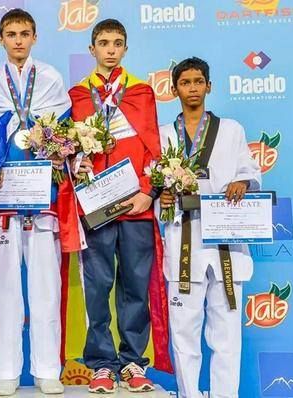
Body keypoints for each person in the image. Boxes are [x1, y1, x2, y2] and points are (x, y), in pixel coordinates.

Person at [0, 8, 82, 396]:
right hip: (3, 200)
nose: (18, 40)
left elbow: (67, 140)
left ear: (35, 37)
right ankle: (6, 370)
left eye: (24, 33)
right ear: (0, 39)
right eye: (10, 34)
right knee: (3, 289)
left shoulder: (52, 80)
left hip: (44, 200)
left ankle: (47, 369)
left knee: (46, 289)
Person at [68, 18, 172, 393]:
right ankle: (99, 363)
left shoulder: (142, 92)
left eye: (117, 43)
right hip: (95, 207)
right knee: (97, 287)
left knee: (134, 286)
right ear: (92, 49)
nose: (110, 49)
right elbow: (70, 152)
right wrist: (74, 167)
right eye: (103, 43)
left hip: (136, 206)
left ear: (125, 49)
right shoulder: (77, 96)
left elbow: (154, 149)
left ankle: (131, 362)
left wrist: (148, 192)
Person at [158, 57, 261, 398]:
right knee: (184, 332)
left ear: (209, 86)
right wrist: (164, 201)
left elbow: (249, 170)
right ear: (174, 89)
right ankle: (189, 394)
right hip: (182, 238)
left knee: (227, 334)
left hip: (224, 243)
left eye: (198, 81)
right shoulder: (162, 135)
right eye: (185, 82)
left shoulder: (231, 130)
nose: (192, 88)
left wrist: (244, 182)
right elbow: (156, 189)